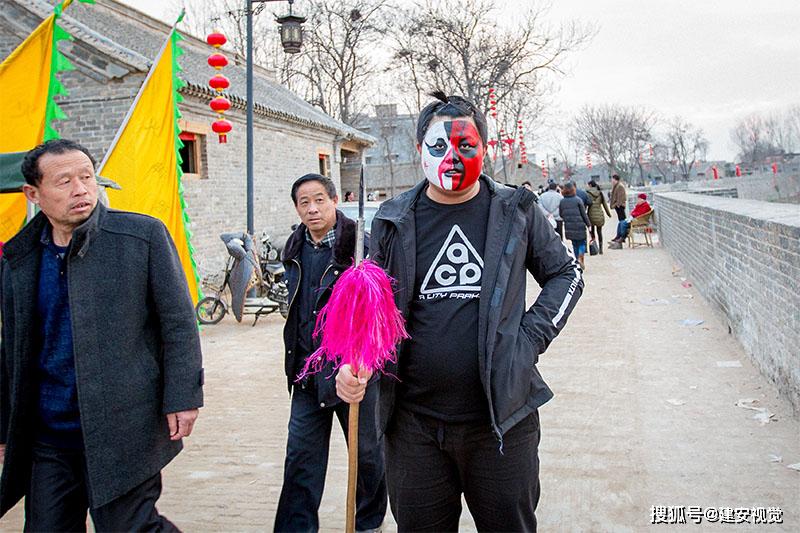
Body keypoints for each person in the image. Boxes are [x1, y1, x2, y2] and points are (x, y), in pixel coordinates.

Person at [335, 92, 583, 531]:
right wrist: (355, 361)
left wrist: (528, 340)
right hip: (413, 427)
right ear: (419, 150)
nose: (452, 157)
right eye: (438, 146)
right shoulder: (392, 221)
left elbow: (567, 274)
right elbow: (372, 307)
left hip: (502, 422)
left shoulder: (516, 211)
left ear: (484, 149)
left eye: (465, 145)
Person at [0, 139, 203, 530]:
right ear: (33, 193)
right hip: (49, 435)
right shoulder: (19, 259)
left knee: (131, 527)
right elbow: (14, 349)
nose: (80, 190)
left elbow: (177, 323)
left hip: (123, 426)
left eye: (87, 177)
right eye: (64, 182)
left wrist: (183, 396)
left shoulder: (140, 237)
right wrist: (5, 424)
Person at [275, 173, 386, 532]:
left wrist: (362, 362)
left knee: (368, 456)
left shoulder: (361, 248)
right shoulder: (292, 250)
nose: (312, 209)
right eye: (304, 202)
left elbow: (378, 315)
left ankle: (368, 523)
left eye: (319, 199)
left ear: (335, 200)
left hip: (354, 373)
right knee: (300, 462)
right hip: (308, 376)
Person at [559, 181, 591, 270]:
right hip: (580, 225)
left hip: (569, 226)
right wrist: (589, 225)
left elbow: (561, 214)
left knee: (574, 244)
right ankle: (581, 257)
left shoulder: (562, 202)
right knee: (582, 243)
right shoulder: (578, 200)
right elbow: (584, 214)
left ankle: (577, 261)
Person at [586, 179, 612, 254]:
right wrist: (609, 214)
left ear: (590, 185)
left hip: (591, 215)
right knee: (599, 232)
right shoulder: (600, 193)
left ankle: (594, 247)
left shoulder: (588, 194)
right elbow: (604, 205)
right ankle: (601, 249)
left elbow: (586, 204)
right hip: (599, 215)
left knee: (592, 232)